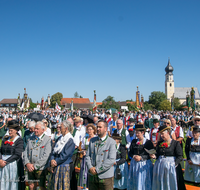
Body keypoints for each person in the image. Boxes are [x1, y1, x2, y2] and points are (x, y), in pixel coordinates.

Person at [150, 125, 186, 190]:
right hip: (160, 167)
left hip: (171, 167)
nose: (161, 136)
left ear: (168, 133)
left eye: (163, 134)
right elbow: (157, 154)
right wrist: (154, 156)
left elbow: (179, 156)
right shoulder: (160, 143)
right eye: (160, 134)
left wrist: (174, 164)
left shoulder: (175, 143)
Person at [86, 120, 116, 190]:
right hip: (92, 176)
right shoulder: (92, 140)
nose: (98, 129)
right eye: (97, 127)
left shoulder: (111, 142)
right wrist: (90, 167)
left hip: (105, 177)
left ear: (105, 129)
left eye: (100, 127)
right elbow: (88, 156)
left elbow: (111, 159)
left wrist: (97, 169)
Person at [23, 121, 52, 190]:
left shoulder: (47, 140)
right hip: (30, 167)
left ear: (43, 130)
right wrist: (27, 163)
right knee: (31, 186)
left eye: (37, 129)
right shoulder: (31, 138)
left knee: (42, 186)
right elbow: (25, 152)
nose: (35, 130)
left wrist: (35, 166)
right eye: (35, 128)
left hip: (41, 168)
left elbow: (46, 155)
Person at [47, 120, 75, 190]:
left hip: (64, 166)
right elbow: (53, 151)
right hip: (56, 165)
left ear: (66, 128)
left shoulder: (70, 140)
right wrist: (52, 160)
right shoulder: (59, 138)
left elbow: (65, 155)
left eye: (61, 127)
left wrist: (55, 162)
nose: (59, 128)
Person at [0, 120, 25, 190]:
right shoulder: (5, 139)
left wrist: (5, 162)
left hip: (12, 163)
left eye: (11, 130)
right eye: (9, 130)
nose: (9, 132)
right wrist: (0, 160)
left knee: (12, 183)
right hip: (2, 163)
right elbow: (0, 150)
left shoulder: (19, 140)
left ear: (16, 130)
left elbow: (17, 154)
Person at [127, 124, 154, 190]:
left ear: (142, 132)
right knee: (135, 181)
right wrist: (134, 156)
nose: (136, 134)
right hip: (135, 164)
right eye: (136, 133)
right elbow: (130, 152)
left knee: (144, 181)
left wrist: (141, 158)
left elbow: (150, 154)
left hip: (144, 164)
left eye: (138, 133)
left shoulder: (148, 142)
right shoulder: (134, 141)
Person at [79, 123, 96, 189]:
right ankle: (84, 186)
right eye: (88, 129)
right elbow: (82, 148)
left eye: (90, 129)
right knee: (84, 171)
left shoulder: (95, 138)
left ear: (93, 130)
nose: (89, 131)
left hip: (92, 158)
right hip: (85, 157)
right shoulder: (85, 138)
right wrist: (83, 151)